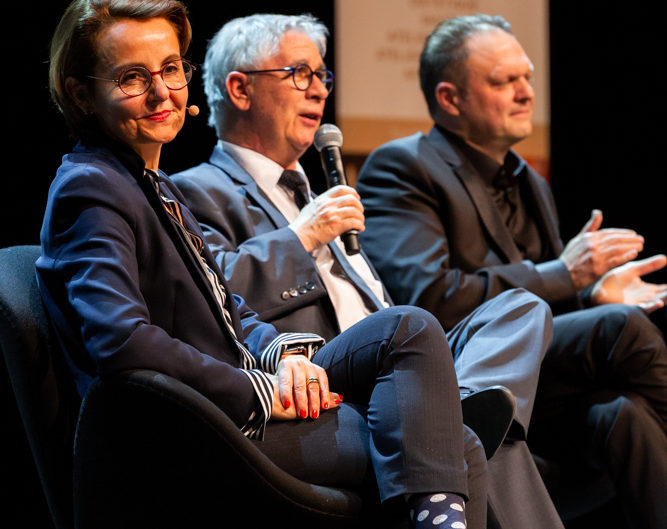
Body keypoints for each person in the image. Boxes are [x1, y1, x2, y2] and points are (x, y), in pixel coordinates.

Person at [35, 2, 508, 528]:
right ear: (81, 93)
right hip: (195, 427)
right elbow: (121, 342)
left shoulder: (152, 183)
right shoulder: (90, 186)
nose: (162, 92)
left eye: (170, 69)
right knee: (452, 445)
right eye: (131, 78)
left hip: (233, 400)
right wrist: (258, 391)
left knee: (411, 333)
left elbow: (224, 304)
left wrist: (284, 356)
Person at [171, 13, 564, 529]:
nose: (317, 92)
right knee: (489, 436)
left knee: (520, 308)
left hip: (405, 364)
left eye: (322, 77)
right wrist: (301, 237)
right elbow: (212, 300)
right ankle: (450, 415)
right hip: (322, 372)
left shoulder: (316, 192)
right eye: (299, 74)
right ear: (240, 90)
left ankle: (455, 405)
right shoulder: (196, 190)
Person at [356, 14, 667, 529]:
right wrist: (566, 275)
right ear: (450, 98)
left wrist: (590, 295)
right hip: (460, 371)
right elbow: (430, 299)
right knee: (625, 331)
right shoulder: (403, 166)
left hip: (538, 389)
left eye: (526, 77)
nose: (525, 92)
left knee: (625, 415)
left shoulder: (531, 181)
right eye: (504, 82)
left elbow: (552, 301)